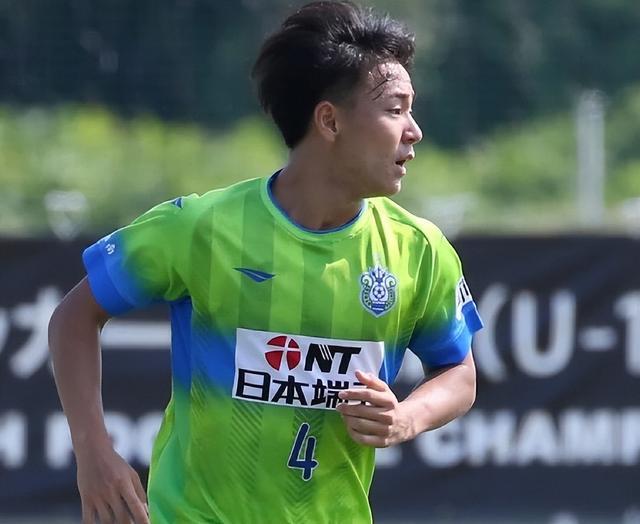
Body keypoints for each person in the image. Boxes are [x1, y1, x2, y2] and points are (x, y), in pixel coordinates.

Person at [49, 1, 483, 522]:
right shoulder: (201, 227)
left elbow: (459, 372)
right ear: (330, 120)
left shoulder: (419, 249)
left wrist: (405, 418)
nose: (414, 131)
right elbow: (74, 317)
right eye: (395, 109)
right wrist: (94, 455)